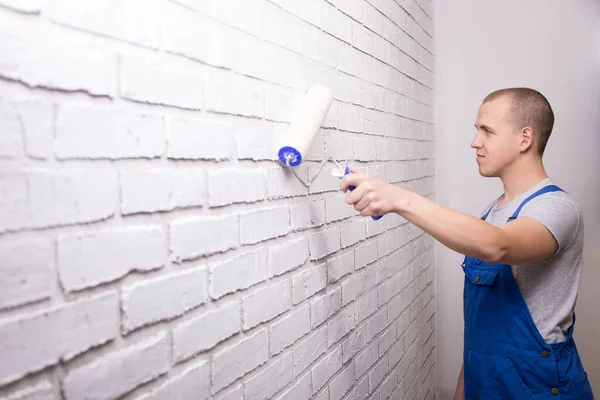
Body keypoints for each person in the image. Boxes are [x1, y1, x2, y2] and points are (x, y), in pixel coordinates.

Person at [340, 87, 594, 399]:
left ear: (524, 138)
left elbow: (498, 246)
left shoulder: (557, 208)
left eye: (486, 130)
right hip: (486, 386)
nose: (475, 141)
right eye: (477, 130)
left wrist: (398, 199)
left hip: (540, 389)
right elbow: (481, 335)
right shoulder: (492, 213)